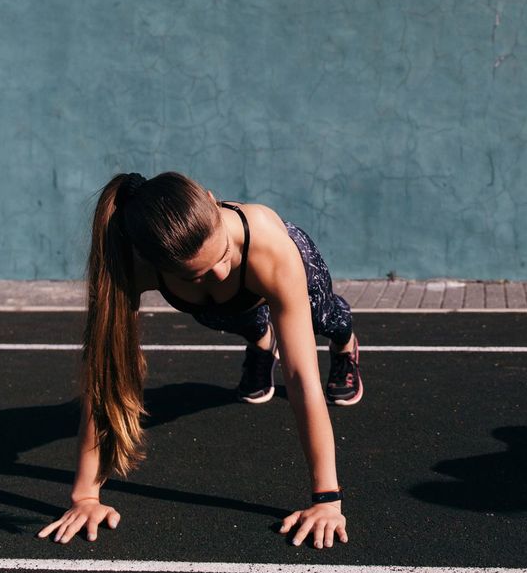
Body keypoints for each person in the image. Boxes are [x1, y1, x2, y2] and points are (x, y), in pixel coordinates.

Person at [38, 171, 360, 549]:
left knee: (325, 318)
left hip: (279, 266)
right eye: (198, 273)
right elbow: (107, 375)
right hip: (226, 303)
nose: (220, 272)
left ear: (212, 199)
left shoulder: (269, 247)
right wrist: (85, 497)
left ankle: (346, 345)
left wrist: (326, 499)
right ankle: (260, 341)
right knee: (225, 314)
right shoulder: (132, 265)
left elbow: (301, 377)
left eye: (222, 255)